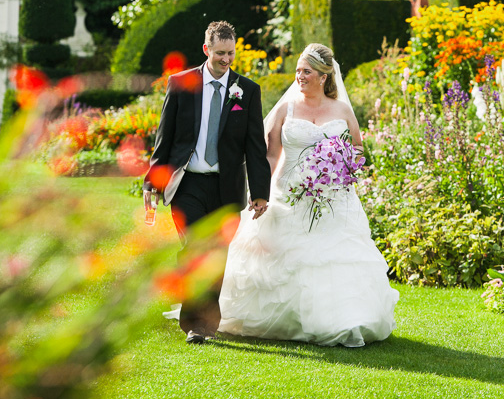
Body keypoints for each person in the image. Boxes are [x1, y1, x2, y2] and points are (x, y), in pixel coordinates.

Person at [218, 43, 399, 347]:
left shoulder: (341, 110)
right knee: (284, 258)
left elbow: (357, 151)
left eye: (306, 71)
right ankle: (285, 319)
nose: (299, 76)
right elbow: (271, 156)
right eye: (299, 70)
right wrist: (261, 192)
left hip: (331, 197)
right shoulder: (286, 108)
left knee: (331, 257)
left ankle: (342, 318)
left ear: (324, 76)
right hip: (287, 194)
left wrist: (339, 165)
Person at [143, 21, 271, 345]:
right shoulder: (180, 84)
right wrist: (151, 184)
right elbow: (165, 138)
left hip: (226, 188)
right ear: (206, 50)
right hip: (186, 183)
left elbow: (256, 147)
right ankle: (196, 325)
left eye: (231, 54)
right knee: (195, 247)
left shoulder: (248, 90)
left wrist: (260, 193)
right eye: (220, 54)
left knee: (216, 255)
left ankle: (203, 321)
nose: (227, 60)